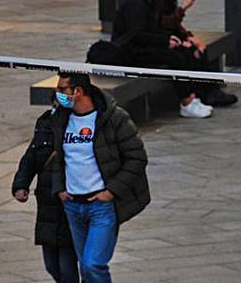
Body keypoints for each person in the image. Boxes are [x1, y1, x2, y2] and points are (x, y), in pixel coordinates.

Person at [50, 73, 149, 283]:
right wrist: (60, 188)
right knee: (85, 268)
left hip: (101, 206)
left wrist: (111, 191)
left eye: (62, 90)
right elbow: (58, 158)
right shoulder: (61, 118)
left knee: (92, 264)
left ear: (78, 91)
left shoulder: (113, 118)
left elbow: (137, 158)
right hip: (72, 205)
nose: (57, 94)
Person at [111, 0, 213, 118]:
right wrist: (165, 41)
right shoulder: (136, 3)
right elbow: (136, 34)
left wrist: (173, 40)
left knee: (182, 52)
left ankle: (193, 95)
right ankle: (186, 101)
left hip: (139, 47)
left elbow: (153, 29)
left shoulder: (144, 1)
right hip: (129, 52)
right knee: (175, 58)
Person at [150, 0, 236, 107]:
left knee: (199, 49)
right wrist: (183, 8)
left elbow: (175, 25)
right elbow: (164, 23)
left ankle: (211, 90)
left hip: (170, 37)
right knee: (189, 53)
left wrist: (189, 37)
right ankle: (202, 93)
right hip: (161, 40)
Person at [13, 93, 79, 283]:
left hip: (69, 201)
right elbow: (31, 157)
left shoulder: (76, 125)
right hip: (46, 203)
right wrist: (20, 184)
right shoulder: (44, 122)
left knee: (67, 267)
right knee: (51, 265)